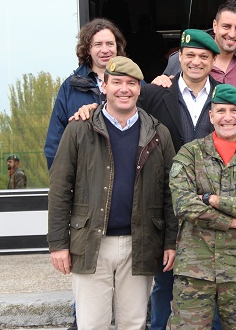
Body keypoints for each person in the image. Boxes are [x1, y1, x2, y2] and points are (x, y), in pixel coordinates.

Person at [71, 28, 222, 330]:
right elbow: (118, 107)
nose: (195, 61)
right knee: (162, 289)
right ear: (179, 58)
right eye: (189, 55)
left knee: (212, 289)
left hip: (211, 213)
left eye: (203, 56)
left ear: (213, 61)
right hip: (165, 212)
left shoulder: (225, 98)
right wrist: (90, 109)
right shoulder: (154, 93)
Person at [47, 57, 177, 330]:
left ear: (140, 89)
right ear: (103, 87)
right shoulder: (78, 130)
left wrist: (170, 241)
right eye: (116, 82)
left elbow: (169, 192)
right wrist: (58, 243)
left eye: (131, 83)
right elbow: (60, 189)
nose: (124, 89)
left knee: (133, 323)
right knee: (92, 324)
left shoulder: (158, 133)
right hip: (91, 242)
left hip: (140, 243)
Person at [168, 84, 236, 329]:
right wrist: (232, 221)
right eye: (221, 110)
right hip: (195, 270)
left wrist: (214, 200)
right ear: (211, 115)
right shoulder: (189, 154)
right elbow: (183, 204)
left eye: (235, 111)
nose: (228, 117)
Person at [163, 1, 236, 120]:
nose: (232, 34)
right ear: (215, 25)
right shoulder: (183, 58)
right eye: (226, 26)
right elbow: (163, 96)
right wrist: (160, 80)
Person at [44, 18, 126, 169]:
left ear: (117, 47)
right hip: (85, 180)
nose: (105, 50)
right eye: (98, 44)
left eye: (110, 44)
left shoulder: (135, 85)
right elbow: (54, 143)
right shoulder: (70, 87)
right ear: (88, 49)